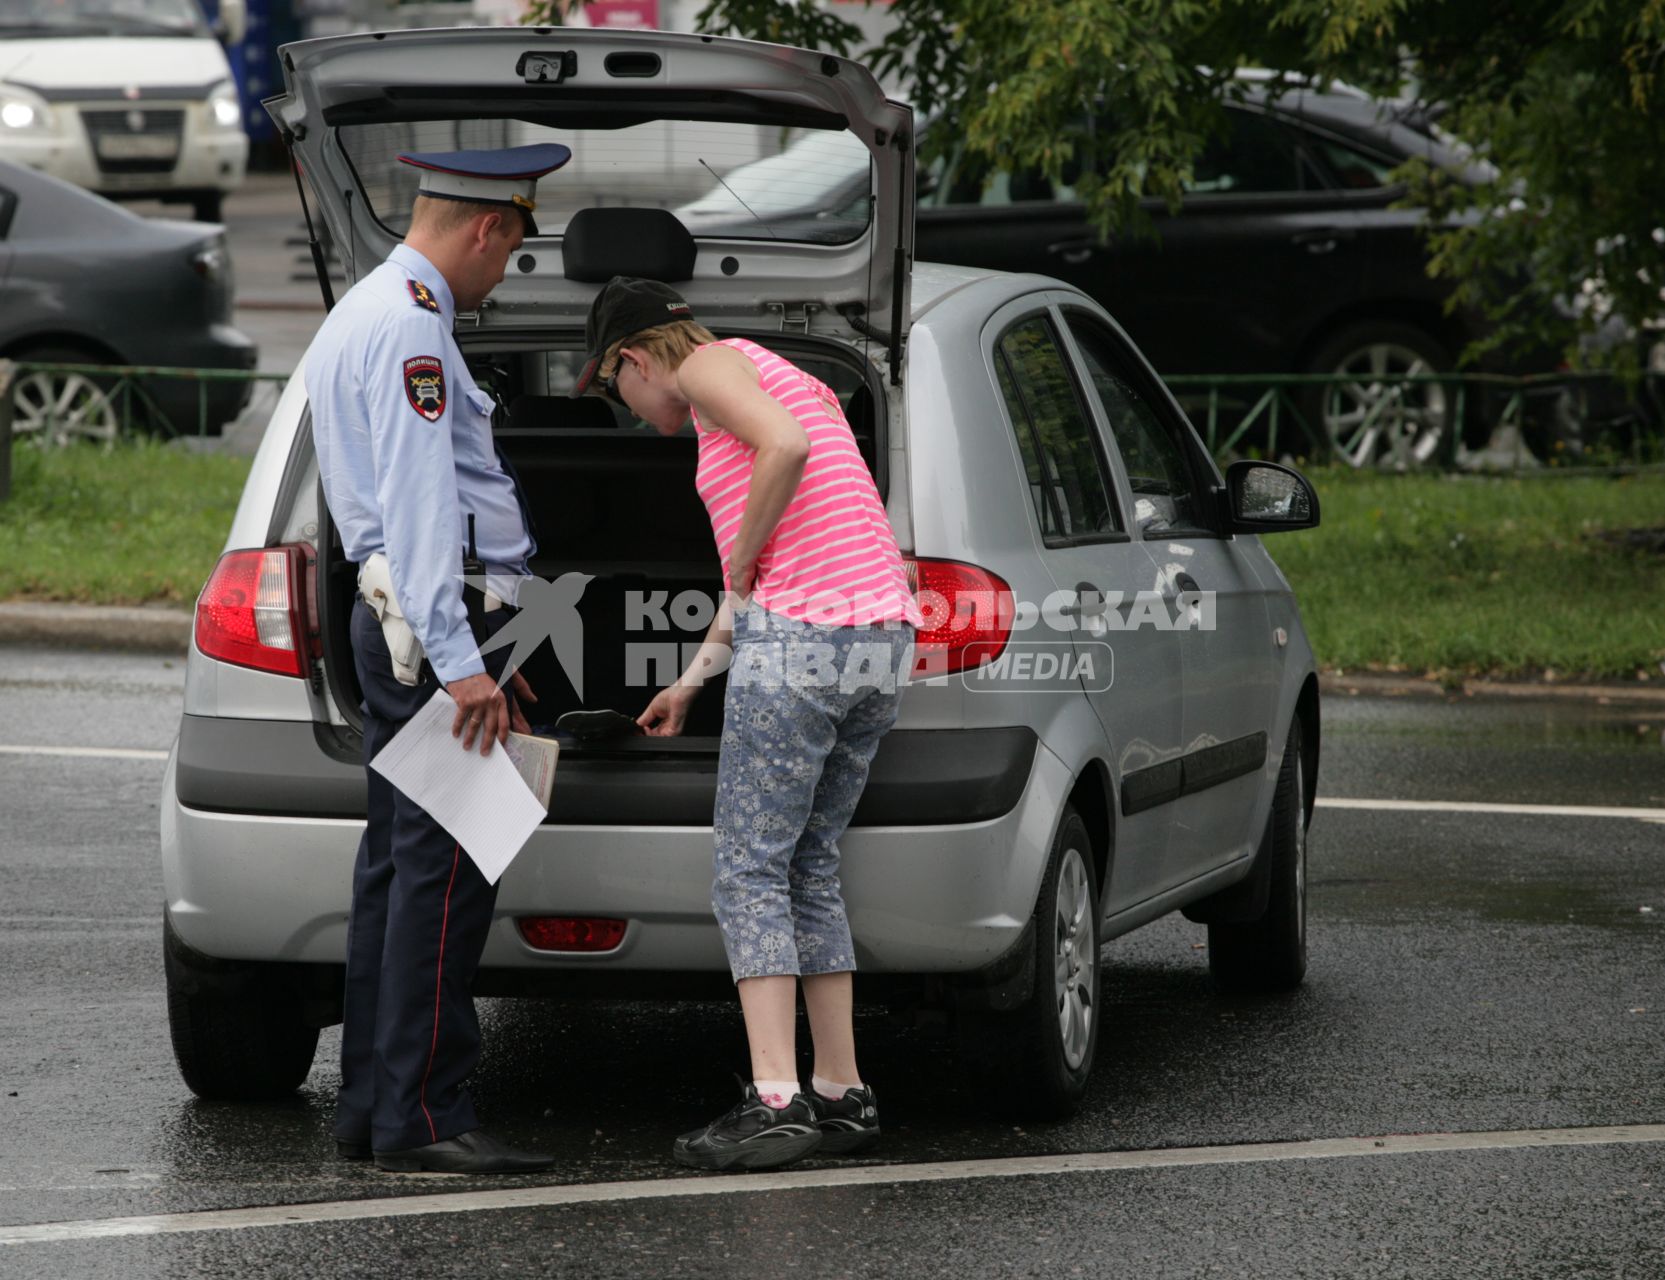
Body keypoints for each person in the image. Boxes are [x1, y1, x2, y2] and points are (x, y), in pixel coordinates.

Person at [572, 276, 924, 1172]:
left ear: (636, 357)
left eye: (617, 388)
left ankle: (774, 1100)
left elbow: (784, 452)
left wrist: (739, 557)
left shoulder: (708, 368)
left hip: (803, 636)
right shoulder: (785, 371)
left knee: (748, 870)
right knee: (808, 863)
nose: (632, 408)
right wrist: (692, 680)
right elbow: (763, 575)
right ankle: (842, 1093)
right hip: (876, 636)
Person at [304, 144, 569, 1175]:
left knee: (399, 870)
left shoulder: (364, 307)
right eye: (511, 248)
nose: (504, 270)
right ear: (486, 226)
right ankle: (427, 1111)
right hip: (434, 626)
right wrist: (466, 663)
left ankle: (374, 1106)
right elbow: (422, 513)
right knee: (444, 883)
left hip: (406, 624)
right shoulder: (414, 326)